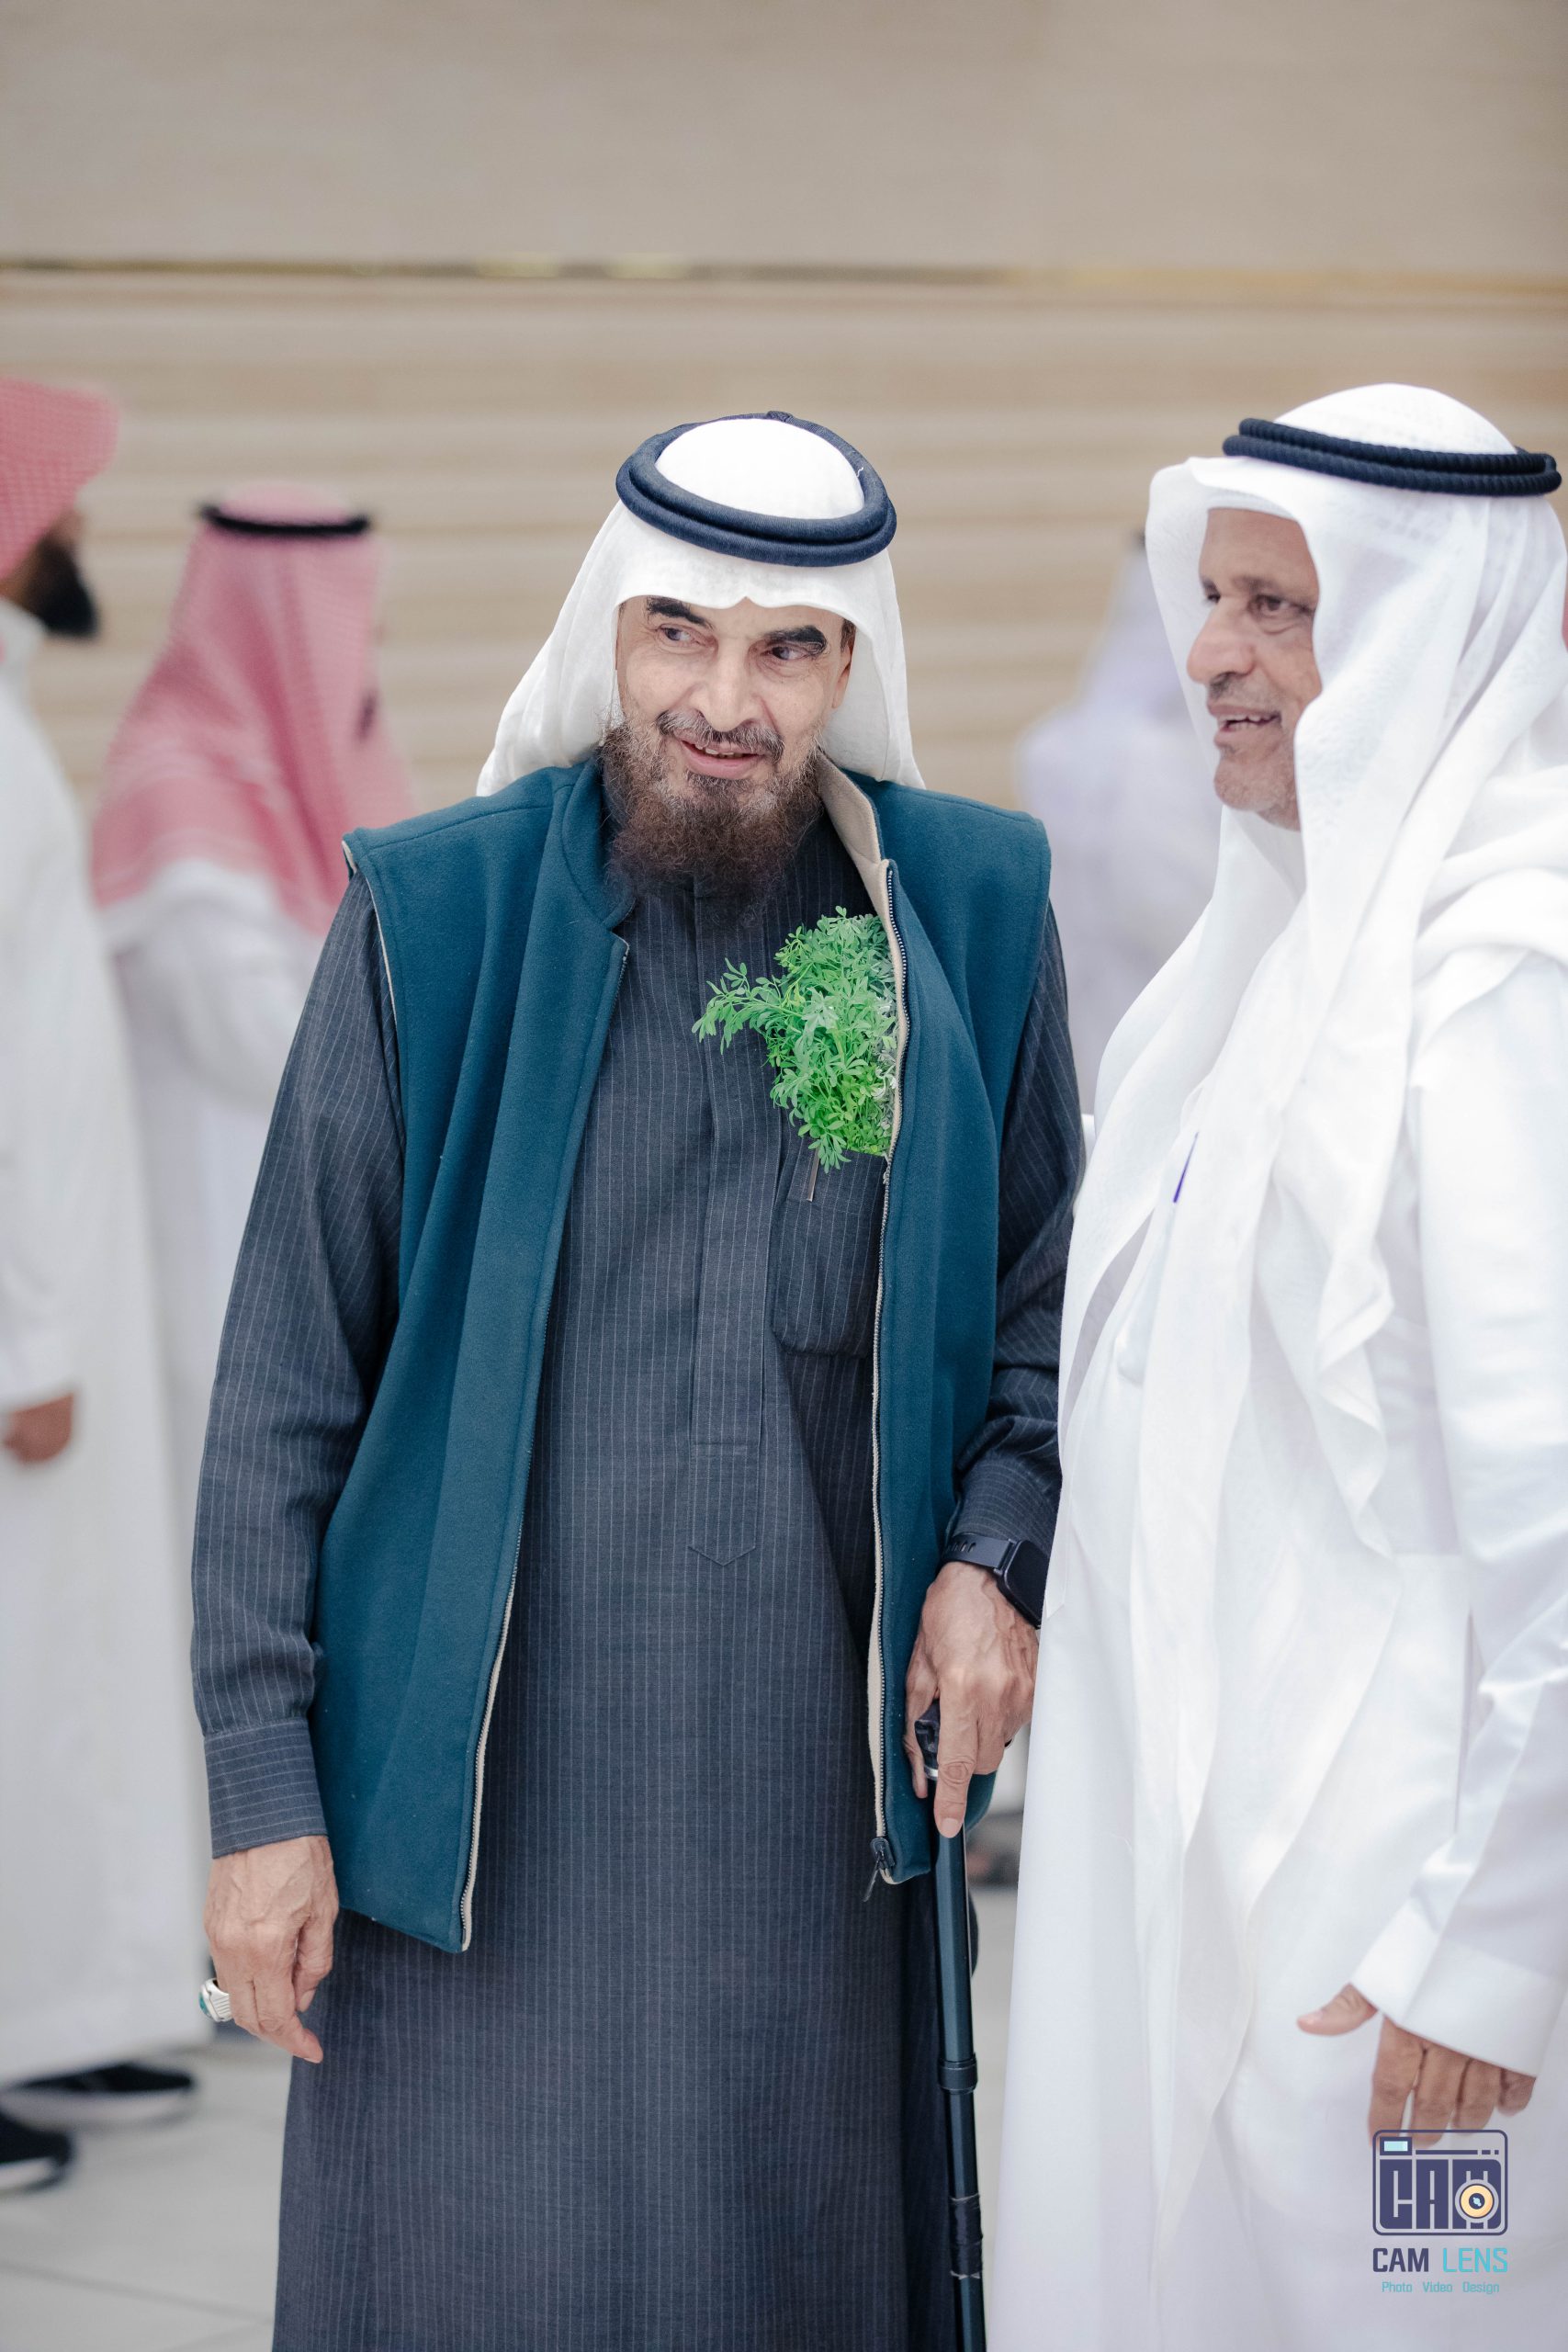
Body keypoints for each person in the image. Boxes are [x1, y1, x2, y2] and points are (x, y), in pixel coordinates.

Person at [193, 411, 1081, 2350]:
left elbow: (1046, 1302)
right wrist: (263, 1796)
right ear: (609, 627)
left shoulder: (964, 912)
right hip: (468, 1823)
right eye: (678, 631)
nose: (724, 701)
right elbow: (282, 1391)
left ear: (852, 664)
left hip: (803, 1826)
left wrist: (992, 1554)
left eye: (787, 650)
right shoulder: (438, 918)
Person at [994, 386, 1568, 2349]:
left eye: (1281, 610)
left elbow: (1552, 1519)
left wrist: (1482, 1952)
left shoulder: (1496, 978)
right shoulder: (1263, 956)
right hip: (1217, 1871)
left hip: (1390, 1937)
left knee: (1428, 2303)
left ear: (1417, 641)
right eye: (1215, 598)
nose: (1211, 657)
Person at [0, 378, 201, 2192]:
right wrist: (29, 1333)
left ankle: (48, 2012)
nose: (73, 534)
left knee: (53, 1674)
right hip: (20, 1318)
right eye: (53, 506)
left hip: (56, 1288)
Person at [91, 486, 413, 1540]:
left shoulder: (339, 757)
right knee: (233, 1517)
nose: (362, 641)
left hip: (334, 1223)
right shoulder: (176, 786)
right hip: (220, 1224)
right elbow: (258, 1041)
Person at [1016, 537, 1217, 1101]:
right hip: (1169, 1061)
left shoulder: (1056, 742)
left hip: (1098, 1053)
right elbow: (1197, 932)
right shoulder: (1151, 763)